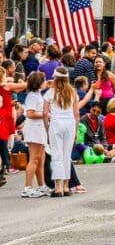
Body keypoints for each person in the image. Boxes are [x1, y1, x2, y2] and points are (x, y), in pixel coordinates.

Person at [43, 67, 77, 197]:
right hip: (70, 123)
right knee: (66, 155)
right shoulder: (72, 92)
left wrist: (47, 127)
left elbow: (45, 113)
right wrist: (76, 129)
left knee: (57, 155)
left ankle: (58, 187)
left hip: (56, 122)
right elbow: (76, 113)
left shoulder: (50, 93)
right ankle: (66, 186)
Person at [21, 72, 49, 197]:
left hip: (39, 129)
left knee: (40, 159)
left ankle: (41, 186)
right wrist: (47, 115)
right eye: (44, 80)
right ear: (39, 82)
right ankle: (27, 188)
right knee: (34, 159)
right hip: (34, 130)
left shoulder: (37, 95)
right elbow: (30, 113)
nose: (45, 82)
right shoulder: (33, 96)